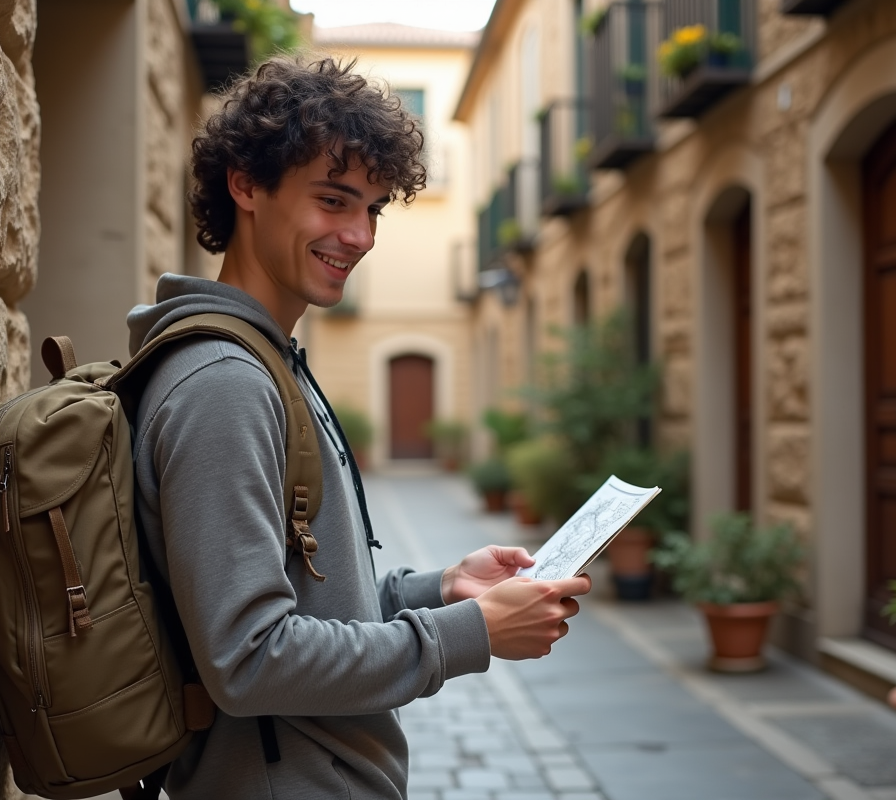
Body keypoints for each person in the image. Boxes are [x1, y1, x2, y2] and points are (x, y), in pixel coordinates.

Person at [126, 55, 591, 799]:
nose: (360, 235)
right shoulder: (225, 384)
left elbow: (309, 602)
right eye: (333, 200)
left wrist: (442, 589)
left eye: (372, 209)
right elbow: (249, 658)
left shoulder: (265, 361)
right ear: (245, 185)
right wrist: (471, 634)